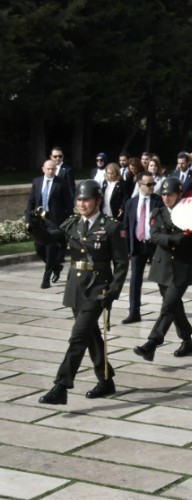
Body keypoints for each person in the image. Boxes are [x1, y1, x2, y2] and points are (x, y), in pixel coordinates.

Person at [30, 180, 128, 404]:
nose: (82, 204)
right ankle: (106, 379)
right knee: (91, 335)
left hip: (97, 288)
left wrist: (112, 292)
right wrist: (35, 226)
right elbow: (50, 239)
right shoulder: (72, 224)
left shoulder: (112, 226)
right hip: (76, 287)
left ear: (98, 200)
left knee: (78, 337)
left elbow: (122, 263)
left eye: (87, 199)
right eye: (79, 200)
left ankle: (61, 386)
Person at [133, 177, 192, 360]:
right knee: (174, 306)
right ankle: (187, 340)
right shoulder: (158, 213)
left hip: (181, 267)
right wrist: (172, 239)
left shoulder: (189, 213)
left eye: (170, 194)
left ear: (179, 194)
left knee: (168, 305)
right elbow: (154, 236)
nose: (166, 197)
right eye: (163, 194)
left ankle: (152, 343)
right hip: (162, 267)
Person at [121, 172, 162, 324]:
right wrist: (126, 248)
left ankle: (169, 310)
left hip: (154, 244)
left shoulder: (158, 201)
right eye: (149, 184)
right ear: (140, 185)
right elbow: (126, 226)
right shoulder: (131, 203)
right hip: (137, 245)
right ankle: (134, 311)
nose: (152, 187)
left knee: (161, 279)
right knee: (135, 279)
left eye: (153, 184)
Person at [25, 159, 73, 289]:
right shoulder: (37, 182)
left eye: (53, 169)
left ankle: (46, 279)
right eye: (48, 168)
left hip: (55, 221)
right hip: (39, 221)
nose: (51, 171)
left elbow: (69, 205)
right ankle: (56, 267)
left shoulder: (61, 183)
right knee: (39, 248)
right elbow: (31, 202)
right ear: (43, 169)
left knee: (50, 249)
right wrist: (28, 220)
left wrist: (68, 222)